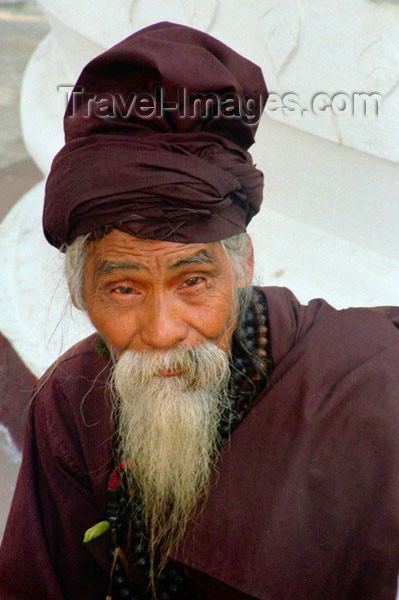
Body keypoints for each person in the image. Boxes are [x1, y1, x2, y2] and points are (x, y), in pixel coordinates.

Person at [1, 21, 399, 600]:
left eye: (193, 281)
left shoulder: (371, 389)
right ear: (80, 292)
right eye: (124, 289)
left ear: (241, 268)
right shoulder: (71, 402)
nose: (162, 331)